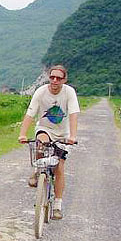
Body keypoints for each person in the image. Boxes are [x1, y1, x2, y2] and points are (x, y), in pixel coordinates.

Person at [18, 65, 79, 220]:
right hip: (45, 129)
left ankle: (57, 205)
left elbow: (73, 115)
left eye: (59, 78)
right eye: (52, 77)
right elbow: (30, 113)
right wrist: (22, 134)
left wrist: (72, 136)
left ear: (64, 80)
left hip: (62, 134)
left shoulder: (69, 92)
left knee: (59, 168)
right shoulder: (41, 92)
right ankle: (38, 171)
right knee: (40, 143)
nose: (55, 80)